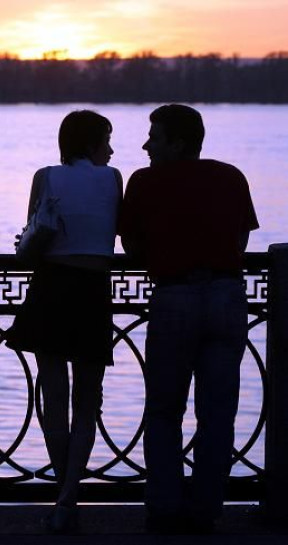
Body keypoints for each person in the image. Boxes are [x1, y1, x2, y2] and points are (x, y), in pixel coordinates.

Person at [118, 104, 259, 533]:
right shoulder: (232, 176)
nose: (146, 145)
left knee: (164, 410)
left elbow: (132, 249)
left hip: (174, 297)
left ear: (177, 143)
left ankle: (164, 508)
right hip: (226, 296)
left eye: (154, 137)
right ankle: (205, 511)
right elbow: (241, 238)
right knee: (218, 413)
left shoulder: (143, 183)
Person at [6, 110, 122, 533]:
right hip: (93, 289)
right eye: (106, 140)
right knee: (88, 399)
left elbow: (35, 230)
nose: (111, 150)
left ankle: (62, 497)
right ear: (92, 144)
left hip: (52, 285)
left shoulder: (45, 176)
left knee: (54, 395)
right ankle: (70, 493)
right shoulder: (113, 179)